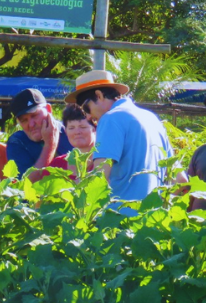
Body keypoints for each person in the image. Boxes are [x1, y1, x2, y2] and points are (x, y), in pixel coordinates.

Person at [65, 70, 172, 216]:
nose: (88, 117)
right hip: (155, 222)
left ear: (99, 95)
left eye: (86, 108)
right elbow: (179, 180)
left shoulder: (110, 119)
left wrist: (66, 196)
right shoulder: (152, 119)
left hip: (121, 224)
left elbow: (99, 178)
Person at [7, 88, 74, 181]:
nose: (31, 124)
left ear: (48, 109)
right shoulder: (17, 142)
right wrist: (50, 145)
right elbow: (27, 185)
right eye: (24, 120)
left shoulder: (72, 131)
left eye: (34, 115)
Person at [45, 104, 96, 181]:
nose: (77, 132)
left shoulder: (105, 164)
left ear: (95, 129)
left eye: (82, 127)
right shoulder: (57, 166)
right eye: (71, 128)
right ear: (66, 131)